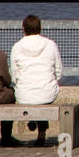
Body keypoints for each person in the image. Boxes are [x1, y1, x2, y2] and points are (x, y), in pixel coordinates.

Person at [10, 14, 63, 147]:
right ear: (40, 28)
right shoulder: (50, 45)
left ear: (23, 29)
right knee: (42, 96)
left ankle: (33, 119)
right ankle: (41, 132)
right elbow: (59, 72)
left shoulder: (17, 47)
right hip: (47, 92)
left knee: (31, 96)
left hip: (24, 94)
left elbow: (13, 75)